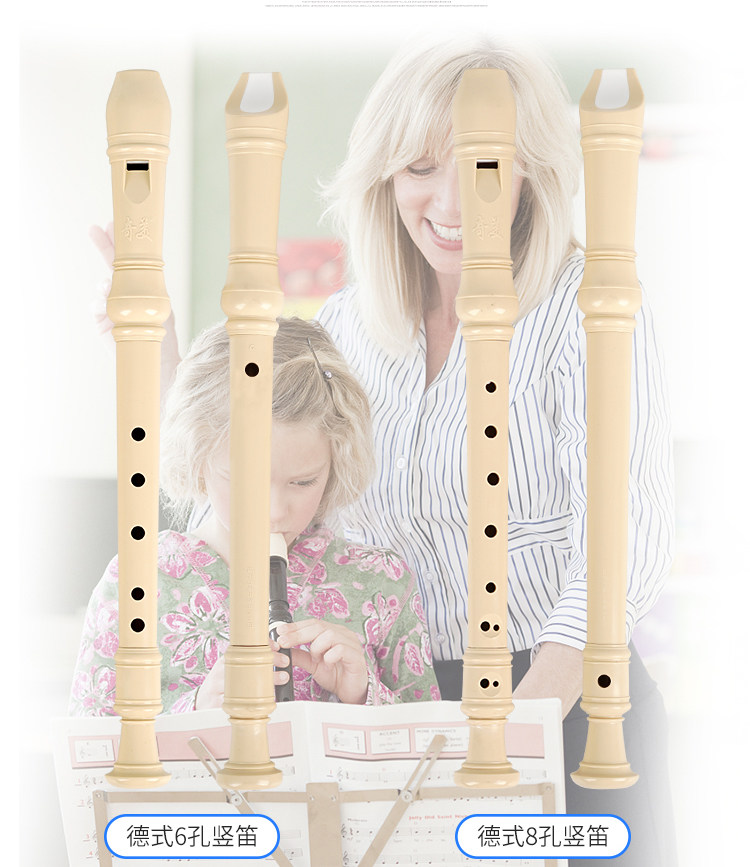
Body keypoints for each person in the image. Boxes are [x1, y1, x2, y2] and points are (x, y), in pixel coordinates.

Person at [313, 37, 676, 866]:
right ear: (381, 177)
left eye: (483, 167)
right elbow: (270, 497)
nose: (450, 202)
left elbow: (625, 538)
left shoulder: (588, 307)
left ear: (531, 174)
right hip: (402, 711)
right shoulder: (344, 327)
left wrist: (522, 723)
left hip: (570, 700)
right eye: (419, 167)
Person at [70, 317, 440, 715]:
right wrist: (197, 709)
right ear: (196, 456)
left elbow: (435, 740)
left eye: (304, 482)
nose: (276, 512)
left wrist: (364, 696)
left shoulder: (381, 581)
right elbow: (89, 740)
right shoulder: (137, 580)